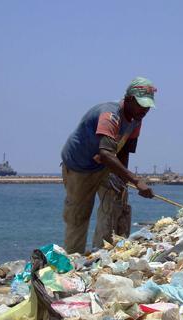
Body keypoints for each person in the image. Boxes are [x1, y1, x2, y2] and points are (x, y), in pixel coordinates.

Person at [60, 77, 156, 254]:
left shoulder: (136, 118)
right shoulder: (110, 114)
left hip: (105, 165)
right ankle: (74, 257)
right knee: (79, 214)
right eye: (141, 105)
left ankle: (102, 252)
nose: (145, 110)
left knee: (114, 205)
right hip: (80, 167)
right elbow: (105, 153)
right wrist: (136, 181)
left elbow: (125, 149)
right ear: (128, 100)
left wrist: (123, 180)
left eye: (148, 106)